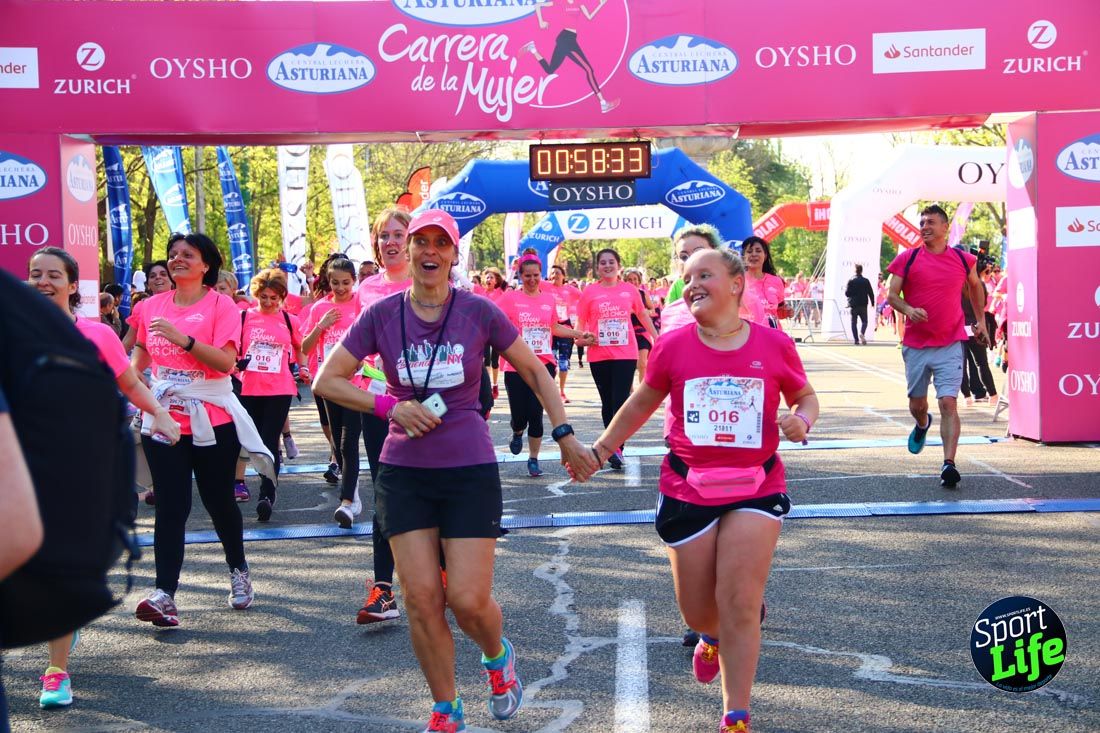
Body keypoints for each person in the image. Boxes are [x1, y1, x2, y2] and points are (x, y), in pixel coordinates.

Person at [314, 209, 598, 732]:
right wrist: (387, 406)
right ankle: (446, 708)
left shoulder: (478, 311)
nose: (427, 251)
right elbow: (327, 380)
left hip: (467, 468)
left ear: (452, 255)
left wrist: (564, 434)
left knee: (466, 601)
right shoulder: (380, 315)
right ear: (398, 251)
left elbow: (534, 368)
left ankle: (498, 658)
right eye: (418, 241)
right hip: (403, 472)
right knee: (422, 600)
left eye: (438, 243)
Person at [587, 247, 817, 733]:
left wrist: (801, 420)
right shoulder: (673, 346)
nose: (692, 284)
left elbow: (805, 396)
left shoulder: (774, 345)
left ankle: (736, 715)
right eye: (687, 277)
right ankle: (709, 635)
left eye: (704, 275)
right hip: (688, 488)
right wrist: (602, 449)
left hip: (756, 486)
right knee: (697, 609)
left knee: (739, 600)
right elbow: (641, 402)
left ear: (735, 284)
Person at [25, 248, 182, 708]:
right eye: (36, 274)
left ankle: (56, 671)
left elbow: (130, 382)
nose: (43, 282)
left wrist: (161, 414)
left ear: (73, 286)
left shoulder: (96, 334)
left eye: (54, 275)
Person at [130, 233, 275, 627]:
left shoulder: (221, 305)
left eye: (186, 255)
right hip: (163, 418)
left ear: (205, 264)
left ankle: (239, 568)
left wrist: (184, 340)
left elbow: (226, 363)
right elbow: (138, 357)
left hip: (213, 418)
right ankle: (165, 594)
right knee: (171, 505)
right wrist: (130, 388)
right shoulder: (151, 306)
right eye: (173, 255)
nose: (177, 260)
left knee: (219, 502)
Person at [886, 205, 987, 489]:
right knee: (917, 405)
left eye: (931, 222)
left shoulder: (962, 259)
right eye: (922, 222)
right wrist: (908, 308)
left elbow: (975, 286)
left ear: (945, 228)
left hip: (951, 342)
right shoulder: (908, 258)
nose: (925, 226)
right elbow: (891, 295)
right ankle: (921, 424)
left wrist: (980, 321)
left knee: (948, 402)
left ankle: (948, 464)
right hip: (917, 344)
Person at [354, 206, 414, 624]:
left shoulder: (433, 281)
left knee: (433, 486)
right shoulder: (367, 289)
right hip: (379, 402)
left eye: (398, 234)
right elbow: (358, 343)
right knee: (384, 491)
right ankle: (383, 588)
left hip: (430, 403)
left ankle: (443, 572)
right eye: (384, 236)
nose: (390, 242)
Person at [499, 255, 588, 476]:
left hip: (544, 364)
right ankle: (517, 431)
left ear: (541, 275)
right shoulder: (510, 299)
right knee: (520, 415)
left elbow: (554, 327)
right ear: (520, 276)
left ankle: (533, 458)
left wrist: (578, 334)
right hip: (516, 366)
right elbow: (495, 323)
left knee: (536, 413)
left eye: (536, 275)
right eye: (527, 276)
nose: (531, 280)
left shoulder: (548, 299)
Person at [574, 248, 658, 470]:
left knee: (620, 400)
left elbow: (641, 315)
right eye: (603, 263)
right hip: (598, 354)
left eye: (611, 262)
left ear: (618, 265)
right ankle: (613, 446)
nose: (607, 266)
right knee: (607, 402)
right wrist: (581, 338)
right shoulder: (590, 292)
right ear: (597, 267)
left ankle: (615, 447)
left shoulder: (629, 290)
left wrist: (657, 337)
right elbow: (580, 324)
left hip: (625, 353)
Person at [236, 268, 309, 521]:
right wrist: (235, 363)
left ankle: (267, 494)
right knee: (252, 441)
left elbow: (300, 349)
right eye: (263, 297)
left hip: (280, 388)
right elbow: (232, 348)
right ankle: (256, 482)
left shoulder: (290, 320)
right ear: (256, 294)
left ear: (282, 297)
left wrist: (304, 367)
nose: (268, 302)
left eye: (273, 298)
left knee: (268, 440)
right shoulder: (243, 317)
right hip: (249, 387)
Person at [302, 255, 364, 527]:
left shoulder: (361, 304)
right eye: (334, 282)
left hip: (355, 382)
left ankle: (347, 501)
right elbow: (305, 348)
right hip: (328, 383)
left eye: (346, 283)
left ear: (354, 281)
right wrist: (321, 326)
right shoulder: (319, 308)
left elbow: (372, 341)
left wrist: (361, 360)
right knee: (336, 441)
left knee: (348, 442)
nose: (340, 288)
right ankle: (353, 489)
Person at [521, 0, 619, 113]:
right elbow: (538, 5)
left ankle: (532, 49)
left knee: (550, 70)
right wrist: (541, 22)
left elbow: (589, 16)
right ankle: (603, 103)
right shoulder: (560, 2)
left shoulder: (579, 2)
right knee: (588, 69)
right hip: (565, 39)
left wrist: (601, 4)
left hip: (570, 39)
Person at [547, 265, 582, 403]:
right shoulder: (545, 287)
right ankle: (551, 391)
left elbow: (585, 298)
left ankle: (561, 392)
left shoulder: (569, 290)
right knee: (551, 362)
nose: (555, 275)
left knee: (563, 362)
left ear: (563, 276)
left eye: (557, 273)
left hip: (565, 328)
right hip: (549, 329)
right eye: (552, 273)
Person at [741, 237, 788, 330]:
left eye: (758, 251)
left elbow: (780, 311)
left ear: (765, 255)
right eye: (749, 251)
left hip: (773, 336)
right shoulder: (737, 281)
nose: (754, 254)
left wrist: (787, 312)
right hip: (747, 336)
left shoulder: (777, 281)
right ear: (744, 256)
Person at [623, 268, 658, 385]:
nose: (633, 282)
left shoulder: (643, 294)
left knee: (642, 363)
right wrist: (630, 311)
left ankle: (642, 392)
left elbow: (652, 309)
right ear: (625, 281)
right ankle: (629, 389)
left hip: (642, 331)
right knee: (629, 364)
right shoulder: (621, 295)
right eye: (629, 280)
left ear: (639, 281)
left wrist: (646, 312)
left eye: (635, 279)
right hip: (626, 332)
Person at [479, 267, 508, 398]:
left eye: (491, 277)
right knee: (486, 360)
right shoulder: (480, 292)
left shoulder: (501, 292)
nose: (489, 279)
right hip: (483, 331)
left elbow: (510, 278)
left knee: (495, 361)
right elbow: (465, 283)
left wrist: (513, 268)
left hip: (497, 331)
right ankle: (487, 386)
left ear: (496, 281)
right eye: (487, 277)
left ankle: (495, 385)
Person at [844, 264, 876, 345]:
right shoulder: (866, 281)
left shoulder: (851, 280)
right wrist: (872, 302)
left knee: (853, 322)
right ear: (861, 271)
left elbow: (847, 293)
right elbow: (870, 292)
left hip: (854, 305)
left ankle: (856, 340)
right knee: (865, 321)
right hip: (863, 304)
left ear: (855, 271)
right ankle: (862, 333)